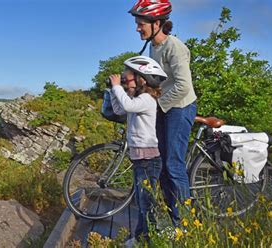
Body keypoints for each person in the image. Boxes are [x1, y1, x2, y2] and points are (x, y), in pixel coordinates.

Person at [129, 0, 197, 227]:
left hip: (179, 107)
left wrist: (156, 106)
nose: (138, 28)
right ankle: (172, 216)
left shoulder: (174, 47)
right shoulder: (153, 46)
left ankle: (185, 225)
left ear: (156, 23)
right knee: (162, 165)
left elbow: (183, 86)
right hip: (164, 106)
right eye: (138, 24)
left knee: (173, 165)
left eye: (141, 24)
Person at [108, 56, 167, 243]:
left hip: (148, 161)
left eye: (129, 74)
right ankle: (141, 237)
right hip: (139, 160)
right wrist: (112, 90)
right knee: (142, 203)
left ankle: (148, 240)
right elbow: (119, 110)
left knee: (146, 204)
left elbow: (127, 105)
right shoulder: (137, 98)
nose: (124, 76)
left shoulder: (147, 99)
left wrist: (118, 86)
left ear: (142, 78)